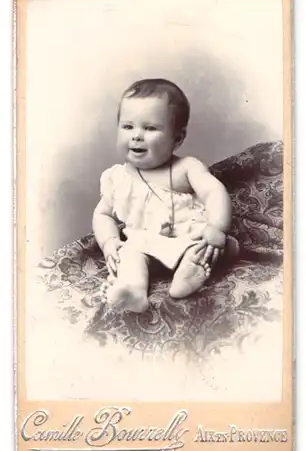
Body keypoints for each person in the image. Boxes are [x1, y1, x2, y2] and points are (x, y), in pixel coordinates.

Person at [92, 78, 238, 313]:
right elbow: (103, 214)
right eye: (128, 126)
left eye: (150, 128)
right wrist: (109, 242)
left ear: (177, 139)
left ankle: (191, 272)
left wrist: (217, 228)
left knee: (205, 246)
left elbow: (214, 192)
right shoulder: (117, 178)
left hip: (188, 236)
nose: (136, 135)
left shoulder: (186, 168)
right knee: (130, 254)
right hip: (147, 244)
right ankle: (133, 292)